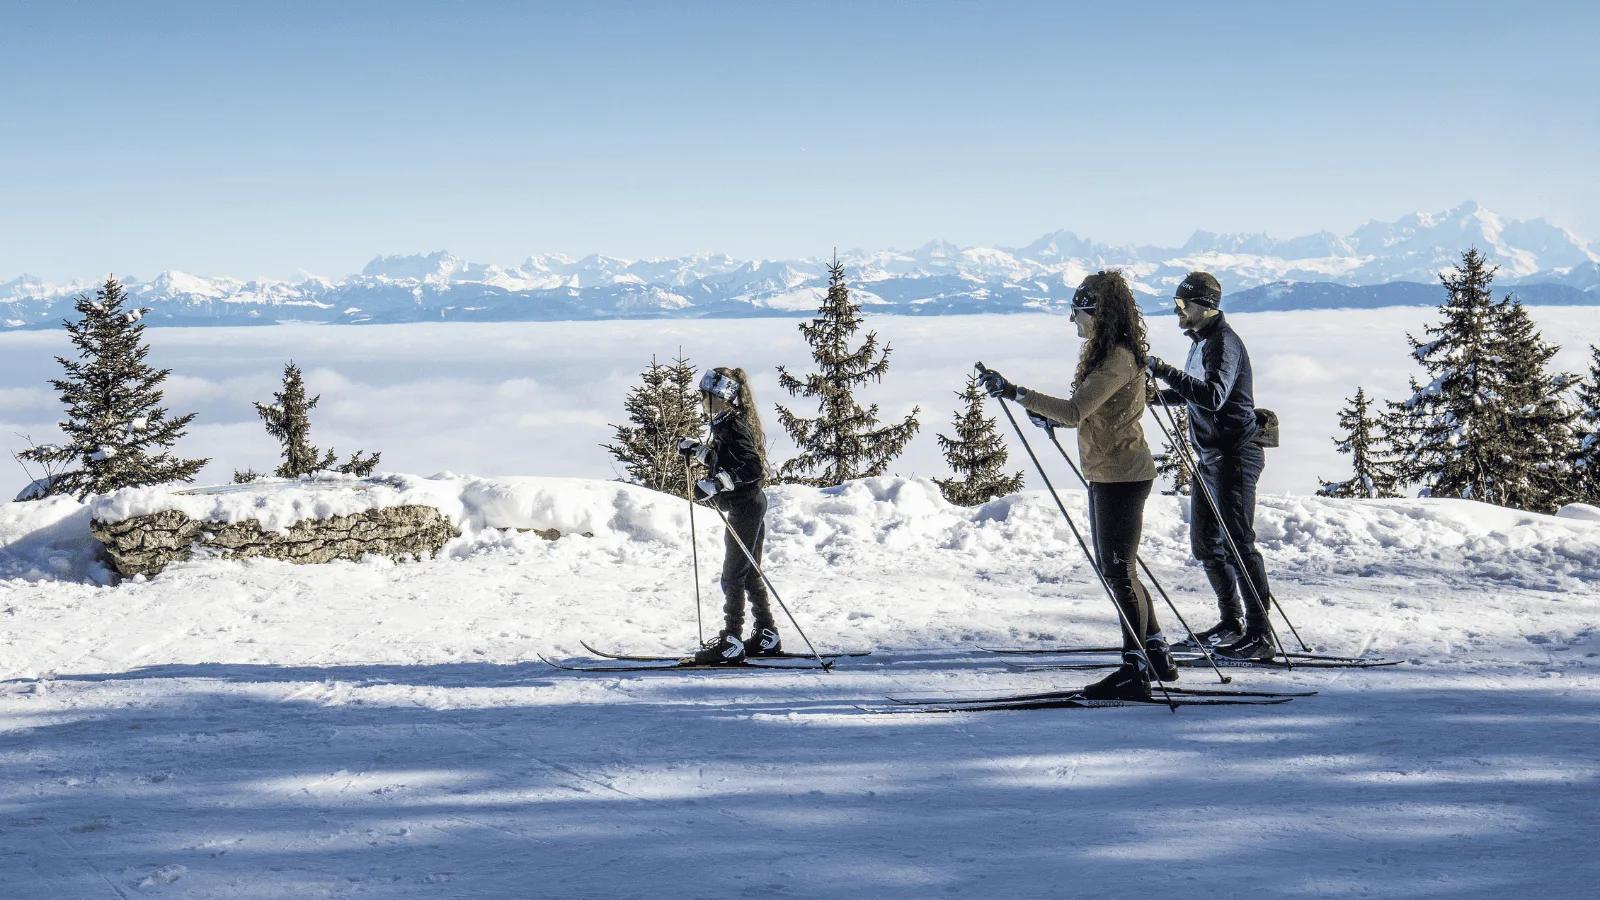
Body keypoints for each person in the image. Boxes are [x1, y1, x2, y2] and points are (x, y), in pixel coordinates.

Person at [976, 271, 1177, 701]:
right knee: (1122, 566)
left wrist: (1016, 392)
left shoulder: (1115, 359)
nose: (1074, 321)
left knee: (1117, 569)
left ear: (1098, 315)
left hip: (1120, 474)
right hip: (1114, 471)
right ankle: (1155, 651)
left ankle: (1134, 667)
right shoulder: (1114, 355)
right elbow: (1090, 414)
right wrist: (1045, 412)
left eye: (1079, 312)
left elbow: (1073, 411)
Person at [1145, 271, 1278, 660]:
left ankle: (1260, 635)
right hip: (1211, 459)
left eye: (1182, 305)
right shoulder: (1202, 341)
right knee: (1206, 545)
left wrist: (1162, 370)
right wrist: (1156, 397)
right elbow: (1195, 395)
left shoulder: (1223, 342)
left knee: (1240, 544)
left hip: (1235, 456)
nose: (1177, 311)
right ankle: (1231, 622)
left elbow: (1214, 396)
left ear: (1205, 305)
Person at [678, 367, 778, 665]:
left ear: (723, 397)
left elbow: (752, 468)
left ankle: (732, 639)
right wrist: (698, 450)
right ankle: (766, 634)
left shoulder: (731, 425)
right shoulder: (725, 423)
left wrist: (718, 483)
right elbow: (725, 460)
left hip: (745, 506)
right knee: (748, 572)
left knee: (732, 575)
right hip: (749, 503)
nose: (703, 402)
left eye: (707, 396)